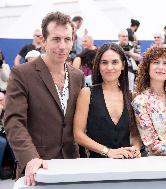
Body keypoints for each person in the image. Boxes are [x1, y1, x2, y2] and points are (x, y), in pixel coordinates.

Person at [4, 11, 84, 185]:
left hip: (73, 166)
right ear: (43, 41)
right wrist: (30, 157)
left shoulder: (78, 76)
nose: (62, 46)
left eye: (67, 39)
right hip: (37, 169)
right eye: (56, 39)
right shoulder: (22, 74)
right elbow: (13, 121)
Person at [73, 43, 141, 159]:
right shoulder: (87, 93)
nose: (109, 67)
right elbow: (78, 134)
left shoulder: (131, 96)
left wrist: (136, 147)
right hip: (96, 166)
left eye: (114, 62)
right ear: (98, 66)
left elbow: (135, 134)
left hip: (126, 164)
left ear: (123, 65)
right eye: (104, 62)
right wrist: (108, 151)